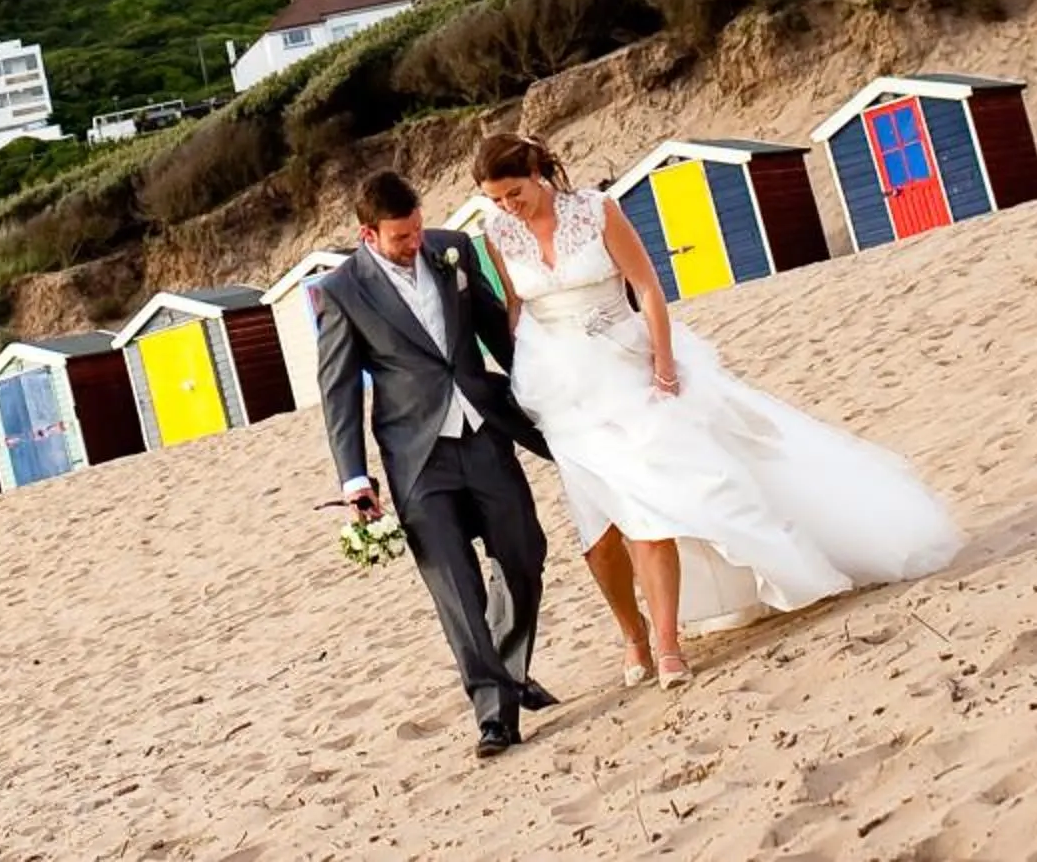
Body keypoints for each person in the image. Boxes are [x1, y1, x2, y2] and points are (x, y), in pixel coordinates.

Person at [474, 132, 963, 690]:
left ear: (536, 171)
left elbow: (648, 288)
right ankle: (632, 637)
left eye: (514, 193)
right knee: (598, 525)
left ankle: (667, 644)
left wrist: (663, 364)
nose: (508, 206)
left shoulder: (595, 210)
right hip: (559, 391)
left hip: (627, 370)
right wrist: (523, 374)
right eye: (497, 199)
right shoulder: (497, 233)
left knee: (652, 508)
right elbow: (517, 306)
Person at [313, 170, 558, 760]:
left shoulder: (453, 249)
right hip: (416, 457)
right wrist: (354, 478)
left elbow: (497, 332)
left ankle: (507, 666)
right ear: (368, 233)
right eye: (401, 236)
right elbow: (338, 390)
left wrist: (546, 390)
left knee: (524, 557)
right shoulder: (341, 291)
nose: (414, 242)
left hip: (484, 434)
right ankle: (494, 713)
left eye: (418, 228)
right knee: (456, 587)